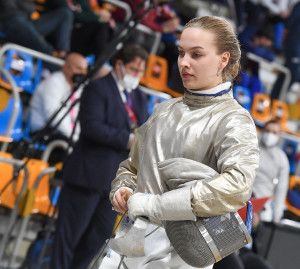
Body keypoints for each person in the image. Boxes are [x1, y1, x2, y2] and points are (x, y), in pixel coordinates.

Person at [102, 16, 260, 269]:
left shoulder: (234, 119)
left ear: (224, 59)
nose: (184, 63)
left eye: (196, 54)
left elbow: (238, 185)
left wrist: (157, 205)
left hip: (180, 257)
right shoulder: (163, 110)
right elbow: (132, 168)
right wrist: (123, 190)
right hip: (129, 245)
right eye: (181, 53)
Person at [51, 44, 149, 269]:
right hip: (86, 176)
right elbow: (92, 127)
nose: (137, 75)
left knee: (96, 241)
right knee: (68, 239)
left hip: (115, 184)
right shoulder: (97, 88)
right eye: (134, 69)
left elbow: (143, 129)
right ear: (120, 65)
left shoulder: (140, 97)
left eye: (140, 71)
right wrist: (127, 140)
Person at [29, 52, 88, 143]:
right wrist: (75, 138)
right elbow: (54, 116)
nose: (82, 73)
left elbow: (78, 116)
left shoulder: (78, 88)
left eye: (85, 70)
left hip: (64, 134)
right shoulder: (53, 82)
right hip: (43, 132)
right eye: (79, 68)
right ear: (66, 67)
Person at [0, 0, 73, 57]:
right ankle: (51, 55)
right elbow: (9, 9)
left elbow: (31, 8)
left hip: (28, 26)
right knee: (17, 19)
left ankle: (62, 54)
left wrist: (20, 5)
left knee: (65, 14)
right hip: (8, 24)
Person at [252, 119, 290, 222]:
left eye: (274, 132)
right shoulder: (251, 148)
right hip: (242, 197)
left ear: (279, 135)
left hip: (263, 203)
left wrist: (277, 216)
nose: (270, 135)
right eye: (268, 131)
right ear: (263, 131)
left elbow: (281, 189)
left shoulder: (281, 158)